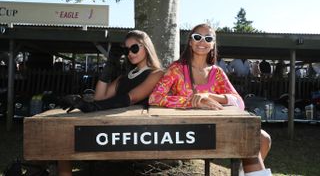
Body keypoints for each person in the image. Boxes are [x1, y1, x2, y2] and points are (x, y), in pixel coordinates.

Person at [149, 23, 272, 176]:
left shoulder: (217, 72)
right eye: (197, 37)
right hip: (186, 130)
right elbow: (155, 97)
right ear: (190, 41)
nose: (202, 42)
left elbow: (239, 102)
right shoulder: (177, 69)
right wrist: (192, 101)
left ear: (213, 44)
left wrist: (209, 96)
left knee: (263, 138)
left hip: (216, 127)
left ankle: (243, 173)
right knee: (252, 139)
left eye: (208, 38)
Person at [58, 30, 164, 176]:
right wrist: (109, 66)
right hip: (112, 132)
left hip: (136, 138)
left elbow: (132, 98)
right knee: (62, 143)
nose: (130, 54)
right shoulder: (124, 77)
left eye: (134, 48)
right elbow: (100, 97)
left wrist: (90, 106)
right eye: (126, 50)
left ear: (146, 47)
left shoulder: (156, 74)